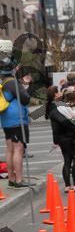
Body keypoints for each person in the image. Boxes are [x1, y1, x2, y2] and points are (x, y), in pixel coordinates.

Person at [46, 87, 75, 193]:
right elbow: (64, 121)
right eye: (59, 92)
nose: (61, 93)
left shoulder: (54, 106)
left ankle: (68, 186)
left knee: (67, 160)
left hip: (63, 137)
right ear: (55, 95)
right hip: (66, 137)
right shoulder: (55, 107)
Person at [0, 42, 32, 188]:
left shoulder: (4, 82)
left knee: (10, 149)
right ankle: (19, 180)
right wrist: (26, 86)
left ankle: (12, 178)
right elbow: (25, 98)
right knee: (18, 149)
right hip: (17, 120)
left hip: (6, 120)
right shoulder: (12, 82)